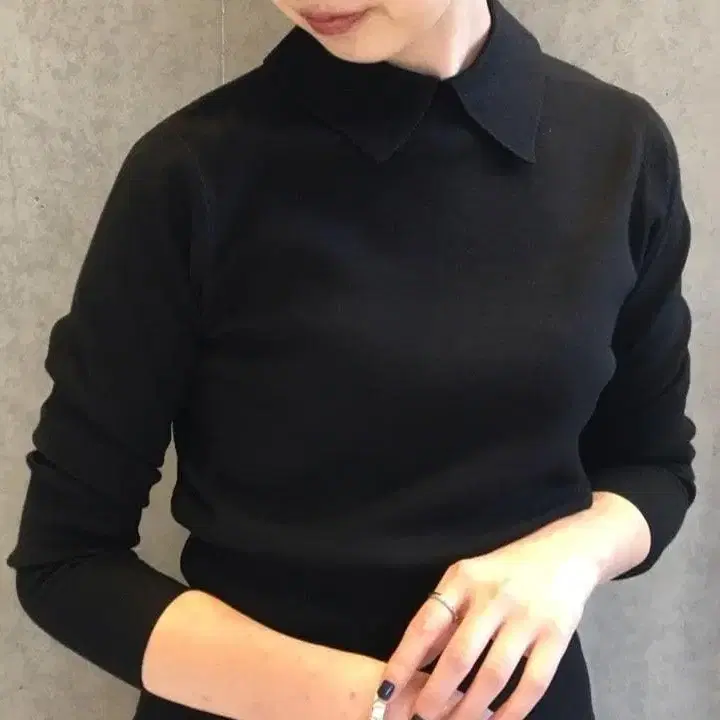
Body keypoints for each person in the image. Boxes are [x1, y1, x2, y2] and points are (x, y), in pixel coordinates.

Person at [7, 0, 696, 719]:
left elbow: (653, 465)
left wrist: (569, 557)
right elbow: (67, 562)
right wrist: (381, 705)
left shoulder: (621, 148)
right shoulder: (191, 172)